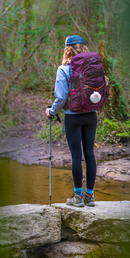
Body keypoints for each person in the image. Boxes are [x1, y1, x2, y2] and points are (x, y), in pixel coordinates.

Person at [45, 35, 97, 207]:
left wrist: (51, 111)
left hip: (73, 117)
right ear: (83, 48)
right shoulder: (92, 67)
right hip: (91, 115)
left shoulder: (63, 69)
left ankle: (77, 197)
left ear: (67, 49)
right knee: (89, 154)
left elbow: (60, 98)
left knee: (76, 156)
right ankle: (89, 196)